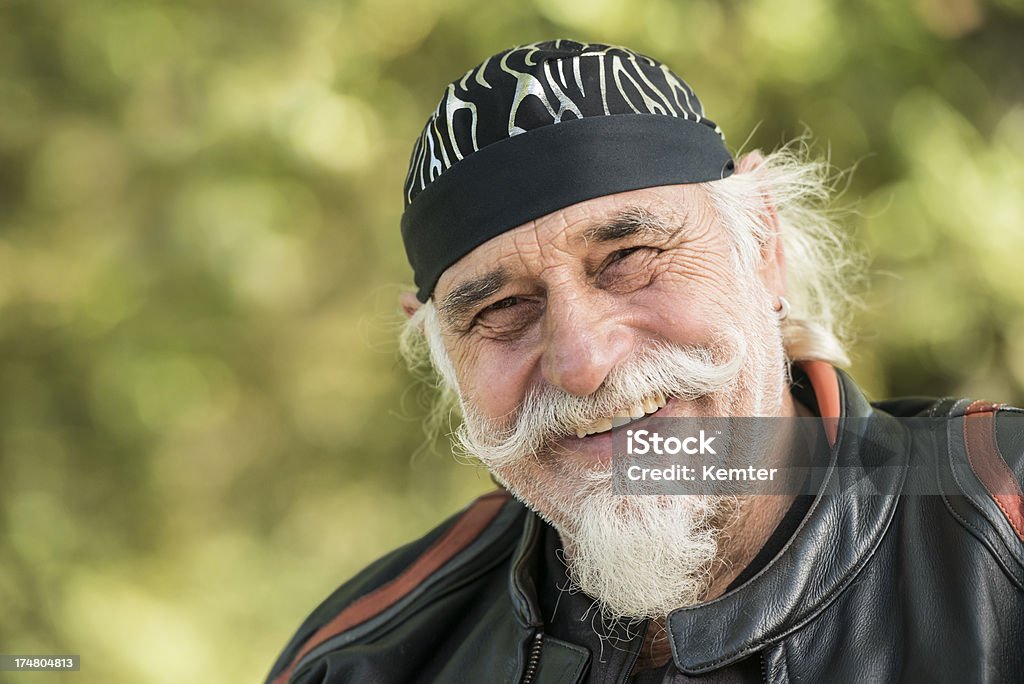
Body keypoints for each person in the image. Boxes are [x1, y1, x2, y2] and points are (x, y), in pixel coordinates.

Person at [265, 40, 1024, 683]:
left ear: (762, 248)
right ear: (440, 352)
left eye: (629, 257)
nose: (585, 362)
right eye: (500, 310)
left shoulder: (1007, 520)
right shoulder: (367, 660)